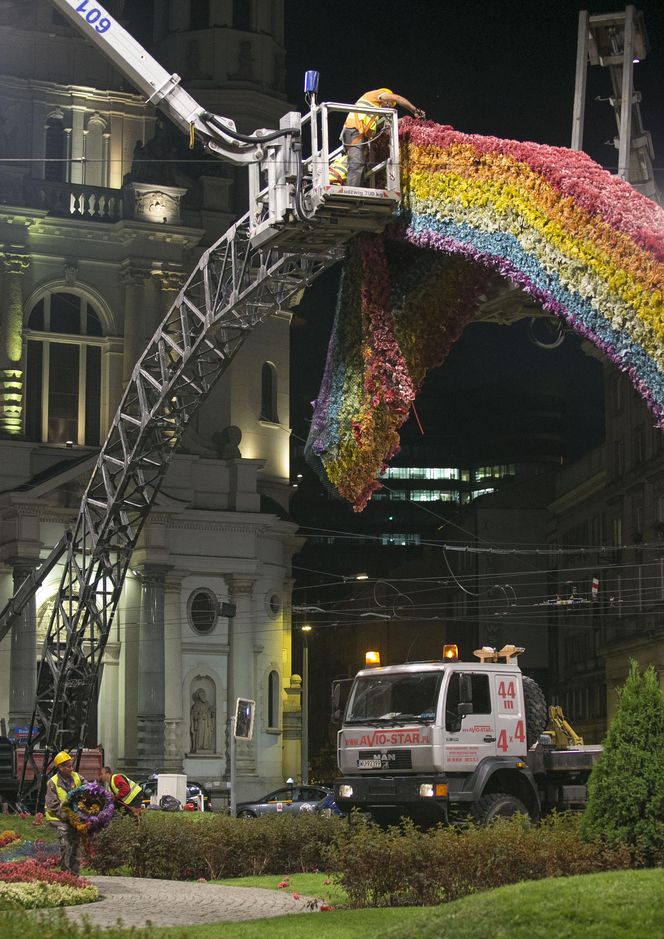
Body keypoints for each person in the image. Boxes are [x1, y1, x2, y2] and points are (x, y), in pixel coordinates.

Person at [341, 88, 426, 187]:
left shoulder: (374, 107)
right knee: (356, 164)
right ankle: (352, 192)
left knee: (360, 165)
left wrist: (401, 121)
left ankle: (354, 189)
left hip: (356, 133)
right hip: (354, 130)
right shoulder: (379, 94)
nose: (389, 106)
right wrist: (415, 110)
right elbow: (398, 98)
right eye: (390, 103)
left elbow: (385, 123)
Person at [45, 751, 88, 874]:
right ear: (60, 767)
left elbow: (89, 790)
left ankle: (74, 875)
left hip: (74, 818)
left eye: (71, 765)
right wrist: (69, 816)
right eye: (68, 766)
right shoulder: (52, 783)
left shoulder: (78, 777)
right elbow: (53, 806)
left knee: (76, 844)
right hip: (58, 819)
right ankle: (65, 873)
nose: (71, 768)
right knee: (66, 842)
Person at [190, 688, 215, 752]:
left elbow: (212, 714)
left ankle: (206, 746)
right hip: (200, 722)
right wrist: (200, 716)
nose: (203, 696)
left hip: (207, 723)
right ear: (199, 696)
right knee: (200, 735)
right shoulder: (196, 705)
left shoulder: (207, 704)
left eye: (203, 694)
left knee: (206, 735)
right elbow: (193, 715)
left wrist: (212, 712)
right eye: (201, 695)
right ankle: (199, 746)